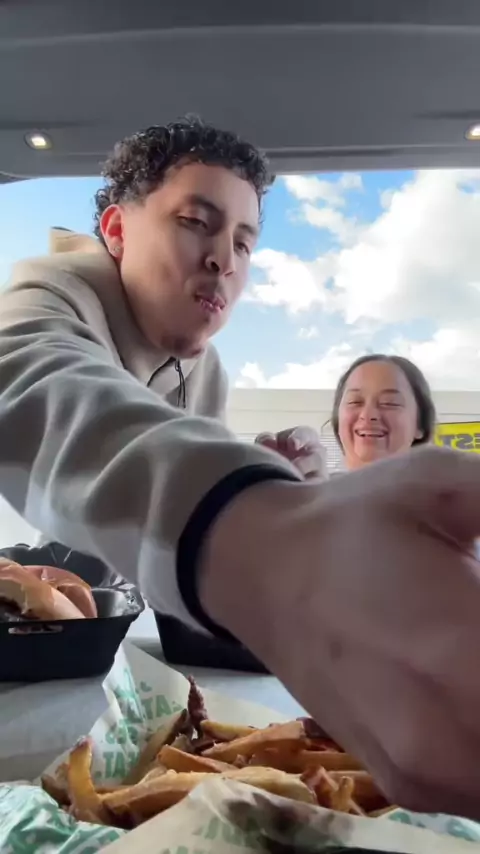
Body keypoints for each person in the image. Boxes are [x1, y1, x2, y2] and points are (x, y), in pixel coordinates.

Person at [1, 117, 480, 818]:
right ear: (117, 229)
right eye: (197, 222)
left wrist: (269, 479)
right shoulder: (49, 295)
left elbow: (161, 523)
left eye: (245, 242)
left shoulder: (205, 371)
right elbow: (27, 380)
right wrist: (275, 535)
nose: (224, 260)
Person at [331, 354, 436, 470]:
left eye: (389, 403)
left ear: (420, 424)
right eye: (354, 401)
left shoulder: (447, 480)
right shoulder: (319, 480)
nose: (368, 415)